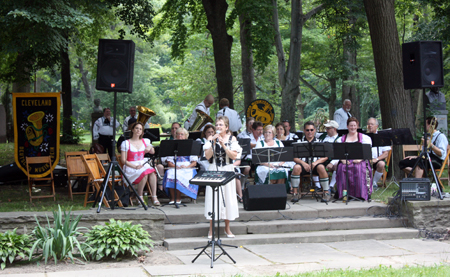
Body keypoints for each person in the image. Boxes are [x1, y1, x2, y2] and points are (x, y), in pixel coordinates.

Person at [203, 116, 242, 238]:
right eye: (217, 125)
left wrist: (224, 145)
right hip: (214, 169)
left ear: (226, 127)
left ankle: (227, 228)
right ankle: (211, 229)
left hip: (227, 169)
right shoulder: (211, 138)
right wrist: (213, 143)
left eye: (221, 125)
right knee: (212, 198)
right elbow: (208, 156)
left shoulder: (232, 138)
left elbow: (234, 156)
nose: (218, 127)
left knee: (228, 198)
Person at [120, 122, 160, 206]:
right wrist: (134, 166)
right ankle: (140, 196)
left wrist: (150, 147)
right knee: (144, 173)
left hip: (142, 163)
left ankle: (154, 196)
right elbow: (123, 160)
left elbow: (153, 152)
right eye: (137, 128)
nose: (138, 130)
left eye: (140, 129)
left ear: (142, 132)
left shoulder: (145, 141)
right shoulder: (126, 143)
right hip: (131, 166)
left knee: (152, 172)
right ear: (133, 130)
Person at [290, 121, 331, 202]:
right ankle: (295, 193)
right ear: (304, 130)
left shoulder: (320, 142)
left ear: (315, 130)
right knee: (296, 167)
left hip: (316, 165)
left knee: (322, 167)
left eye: (311, 130)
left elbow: (325, 157)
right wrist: (304, 164)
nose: (310, 132)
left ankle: (326, 193)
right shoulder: (298, 142)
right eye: (307, 130)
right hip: (303, 166)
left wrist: (315, 163)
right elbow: (294, 157)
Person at [335, 117, 373, 201]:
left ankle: (361, 194)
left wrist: (359, 159)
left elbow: (367, 153)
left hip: (360, 160)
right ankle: (344, 195)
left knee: (359, 168)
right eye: (351, 126)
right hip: (346, 160)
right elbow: (339, 153)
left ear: (357, 126)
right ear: (347, 126)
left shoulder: (365, 138)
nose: (353, 127)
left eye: (354, 125)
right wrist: (343, 160)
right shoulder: (341, 139)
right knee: (342, 168)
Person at [163, 128, 199, 204]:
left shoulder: (190, 145)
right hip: (175, 165)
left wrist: (186, 167)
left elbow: (194, 163)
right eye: (178, 134)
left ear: (186, 136)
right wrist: (175, 166)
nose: (180, 136)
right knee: (171, 173)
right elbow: (169, 162)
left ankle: (178, 198)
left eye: (182, 134)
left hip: (187, 166)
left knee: (179, 175)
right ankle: (173, 198)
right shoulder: (172, 145)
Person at [366, 118, 391, 189]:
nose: (370, 126)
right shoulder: (364, 136)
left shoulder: (382, 136)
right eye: (368, 124)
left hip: (377, 159)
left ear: (377, 126)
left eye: (372, 124)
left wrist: (376, 159)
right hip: (365, 159)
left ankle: (374, 183)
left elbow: (386, 153)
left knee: (381, 164)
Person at [318, 120, 340, 193]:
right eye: (326, 128)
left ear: (334, 129)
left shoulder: (339, 139)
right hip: (322, 159)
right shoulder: (323, 136)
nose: (326, 130)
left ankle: (331, 185)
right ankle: (318, 186)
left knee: (337, 165)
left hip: (333, 159)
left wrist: (331, 163)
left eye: (328, 128)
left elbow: (339, 154)